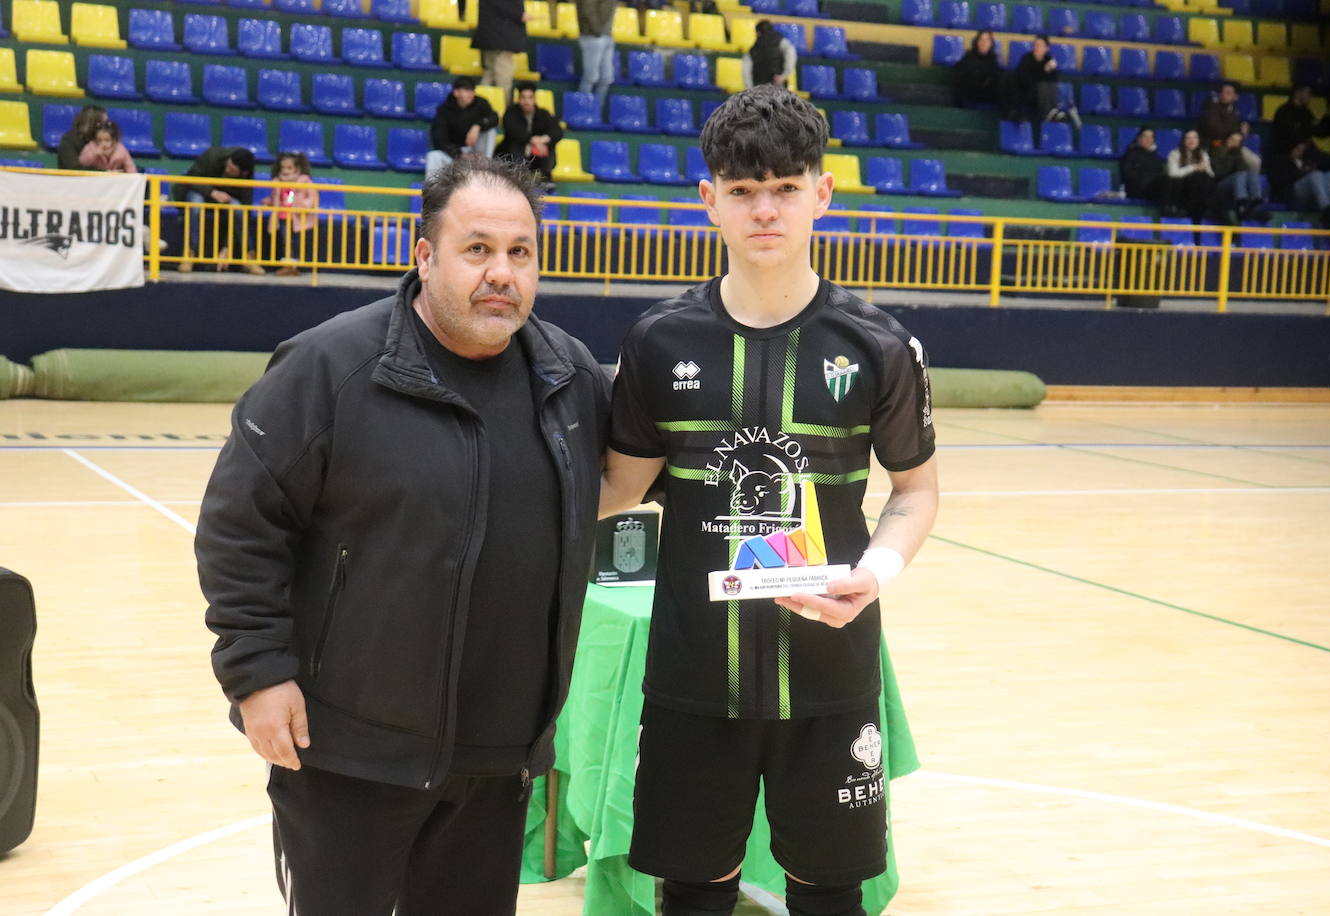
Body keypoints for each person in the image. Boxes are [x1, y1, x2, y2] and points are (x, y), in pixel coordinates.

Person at [195, 156, 610, 916]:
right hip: (350, 750)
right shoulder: (330, 368)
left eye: (520, 253)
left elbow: (644, 471)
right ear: (424, 256)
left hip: (500, 757)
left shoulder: (569, 378)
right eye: (477, 249)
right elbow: (239, 525)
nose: (501, 273)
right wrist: (256, 672)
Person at [599, 85, 939, 916]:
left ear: (822, 194)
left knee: (829, 890)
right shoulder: (657, 343)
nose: (764, 210)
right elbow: (616, 492)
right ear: (707, 198)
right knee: (692, 886)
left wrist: (879, 570)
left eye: (786, 188)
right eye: (743, 190)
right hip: (692, 676)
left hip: (829, 675)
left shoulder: (878, 346)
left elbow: (917, 489)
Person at [172, 146, 265, 275]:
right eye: (229, 165)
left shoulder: (247, 177)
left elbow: (246, 208)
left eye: (232, 171)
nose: (228, 169)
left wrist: (227, 247)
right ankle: (189, 254)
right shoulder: (212, 155)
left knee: (238, 210)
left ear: (242, 174)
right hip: (198, 190)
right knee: (196, 205)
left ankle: (249, 257)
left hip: (226, 197)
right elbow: (190, 178)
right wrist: (212, 192)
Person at [426, 75, 500, 178]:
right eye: (466, 90)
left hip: (477, 154)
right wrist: (460, 155)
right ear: (456, 92)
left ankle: (485, 169)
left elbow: (494, 118)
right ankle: (432, 191)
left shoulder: (481, 103)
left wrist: (478, 126)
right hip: (455, 156)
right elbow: (439, 139)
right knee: (433, 156)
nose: (471, 94)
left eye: (472, 90)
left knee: (491, 131)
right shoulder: (444, 110)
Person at [1271, 140, 1330, 229]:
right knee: (1315, 175)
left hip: (1314, 198)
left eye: (1302, 149)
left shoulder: (1307, 161)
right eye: (1297, 148)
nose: (1300, 151)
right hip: (1293, 196)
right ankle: (1327, 213)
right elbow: (1281, 182)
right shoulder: (1282, 162)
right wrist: (1303, 172)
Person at [495, 83, 563, 183]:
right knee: (515, 144)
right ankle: (518, 177)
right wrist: (532, 140)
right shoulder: (511, 112)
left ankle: (545, 178)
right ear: (518, 99)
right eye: (523, 97)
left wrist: (543, 140)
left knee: (549, 145)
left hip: (535, 156)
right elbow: (513, 132)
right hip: (512, 154)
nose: (526, 101)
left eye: (530, 97)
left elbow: (557, 131)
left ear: (535, 99)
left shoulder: (543, 114)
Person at [265, 152, 317, 277]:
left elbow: (312, 197)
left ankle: (295, 265)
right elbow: (276, 197)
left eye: (289, 168)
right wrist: (270, 202)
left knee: (297, 242)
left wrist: (304, 206)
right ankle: (287, 265)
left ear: (297, 169)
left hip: (298, 217)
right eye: (283, 168)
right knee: (285, 241)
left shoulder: (304, 181)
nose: (286, 171)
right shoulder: (277, 181)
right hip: (282, 216)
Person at [473, 0, 527, 100]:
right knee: (503, 77)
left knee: (490, 73)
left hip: (492, 36)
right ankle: (503, 108)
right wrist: (519, 14)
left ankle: (480, 105)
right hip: (502, 37)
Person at [1210, 130, 1265, 224]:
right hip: (1219, 184)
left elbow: (1242, 169)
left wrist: (1237, 155)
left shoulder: (1237, 153)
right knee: (1239, 175)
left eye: (1238, 141)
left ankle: (1256, 199)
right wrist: (1231, 156)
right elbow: (1219, 172)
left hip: (1236, 184)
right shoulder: (1217, 151)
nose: (1235, 142)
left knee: (1251, 173)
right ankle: (1241, 200)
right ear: (1227, 139)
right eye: (1233, 139)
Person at [1005, 34, 1058, 123]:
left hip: (1042, 97)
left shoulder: (1049, 61)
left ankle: (1051, 111)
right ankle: (1050, 113)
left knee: (1047, 86)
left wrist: (1050, 70)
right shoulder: (1026, 59)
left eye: (1040, 45)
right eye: (1035, 45)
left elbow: (1053, 82)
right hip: (1025, 92)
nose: (1036, 47)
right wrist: (1044, 71)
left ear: (1047, 48)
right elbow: (1025, 81)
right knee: (1043, 86)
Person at [576, 0, 617, 114]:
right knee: (590, 78)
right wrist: (598, 31)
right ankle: (582, 112)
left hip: (607, 36)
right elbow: (588, 10)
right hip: (592, 36)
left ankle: (595, 113)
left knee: (606, 78)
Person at [1164, 129, 1214, 221]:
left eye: (1195, 137)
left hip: (1198, 192)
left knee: (1203, 177)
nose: (1192, 140)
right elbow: (1172, 173)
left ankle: (1206, 210)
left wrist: (1204, 168)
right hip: (1182, 190)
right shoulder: (1175, 153)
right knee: (1196, 177)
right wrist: (1193, 167)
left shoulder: (1203, 154)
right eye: (1188, 138)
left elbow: (1211, 175)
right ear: (1183, 140)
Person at [742, 20, 797, 89]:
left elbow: (746, 72)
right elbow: (791, 56)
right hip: (778, 87)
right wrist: (784, 75)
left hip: (759, 89)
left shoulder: (752, 50)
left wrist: (749, 89)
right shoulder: (781, 42)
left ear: (758, 33)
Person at [953, 29, 1000, 108]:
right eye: (981, 39)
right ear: (976, 42)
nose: (984, 43)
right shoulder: (968, 58)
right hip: (970, 95)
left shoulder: (993, 60)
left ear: (991, 43)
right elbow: (962, 83)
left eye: (987, 40)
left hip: (987, 94)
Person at [1118, 127, 1166, 203]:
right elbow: (1128, 174)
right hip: (1136, 190)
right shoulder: (1130, 154)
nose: (1148, 139)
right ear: (1139, 139)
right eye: (1145, 136)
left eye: (1151, 137)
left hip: (1153, 190)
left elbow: (1159, 175)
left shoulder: (1156, 157)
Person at [56, 104, 107, 170]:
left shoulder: (103, 140)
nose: (106, 128)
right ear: (94, 124)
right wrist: (104, 172)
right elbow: (74, 168)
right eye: (103, 124)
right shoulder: (68, 141)